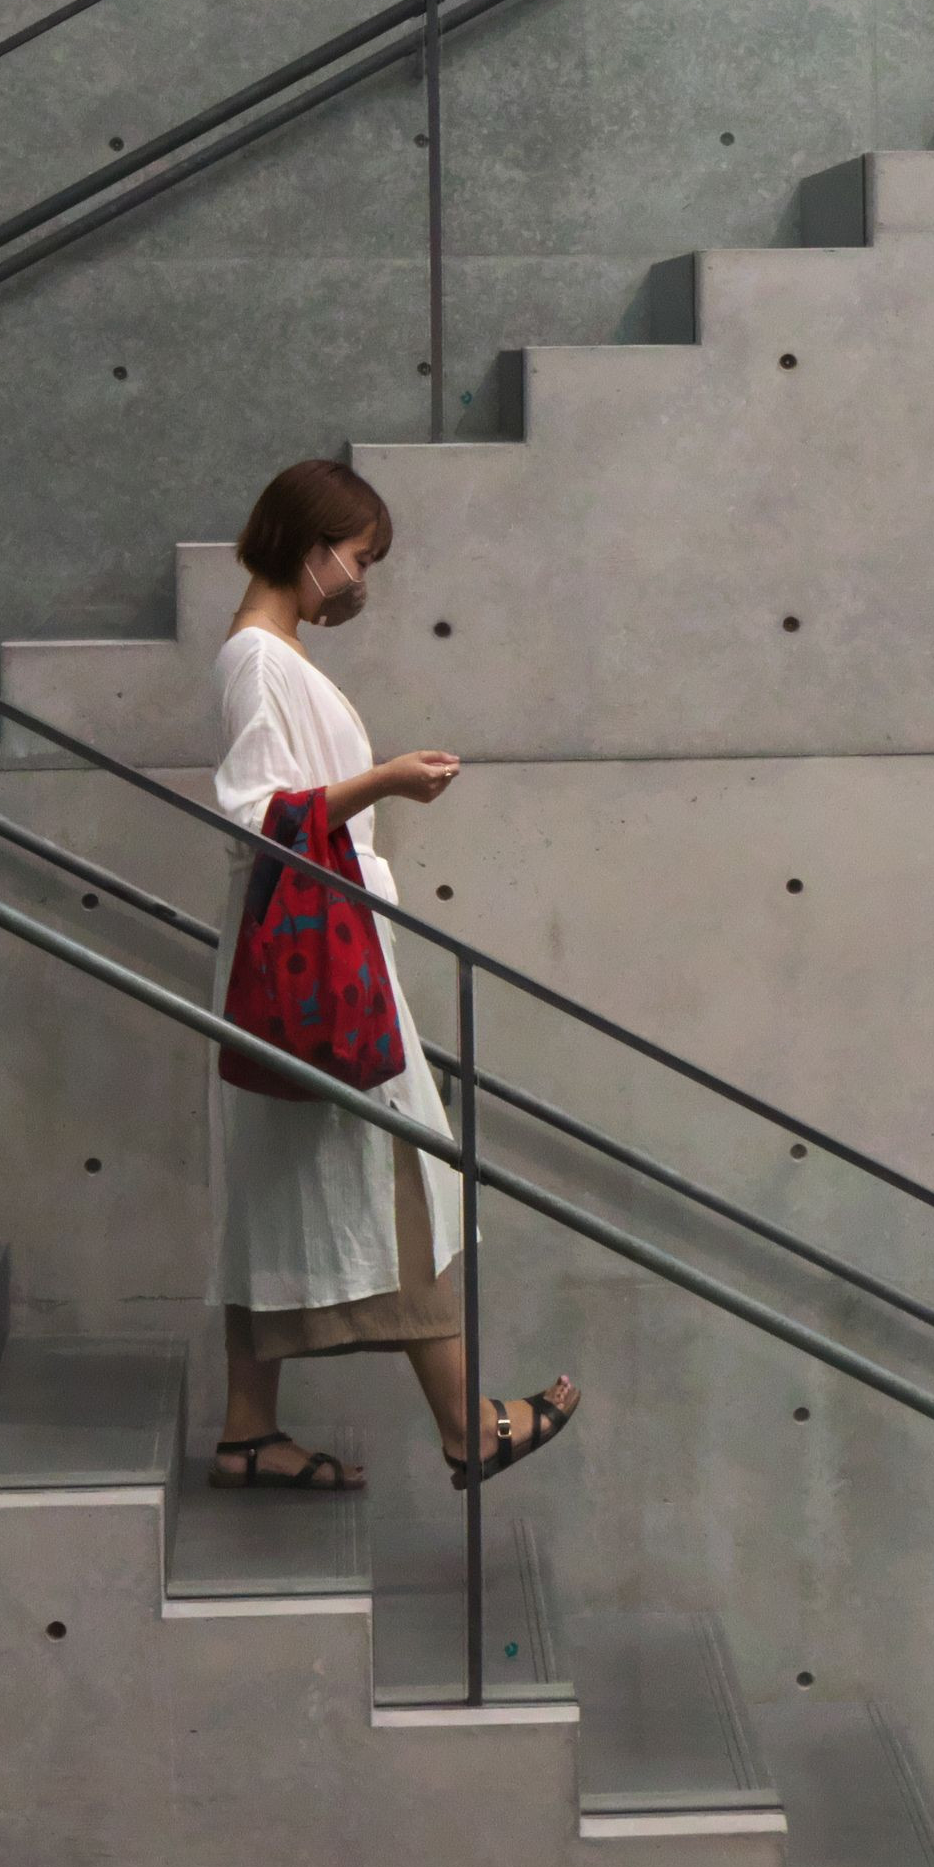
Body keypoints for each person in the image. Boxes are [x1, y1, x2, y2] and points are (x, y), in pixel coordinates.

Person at [207, 453, 580, 1495]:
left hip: (311, 946)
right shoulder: (258, 659)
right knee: (397, 1159)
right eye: (358, 557)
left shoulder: (273, 653)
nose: (361, 579)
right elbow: (254, 812)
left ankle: (246, 1429)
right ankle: (467, 1424)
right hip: (315, 956)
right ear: (311, 545)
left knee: (280, 1184)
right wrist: (387, 780)